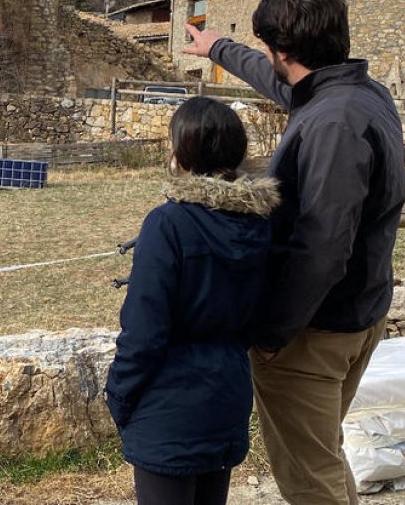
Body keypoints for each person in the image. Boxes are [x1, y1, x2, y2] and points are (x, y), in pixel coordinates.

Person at [182, 0, 405, 504]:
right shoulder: (357, 94)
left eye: (267, 47)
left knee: (309, 481)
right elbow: (278, 80)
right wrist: (217, 47)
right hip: (357, 312)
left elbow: (323, 247)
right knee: (322, 456)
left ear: (284, 51)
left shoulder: (333, 124)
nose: (266, 57)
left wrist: (272, 333)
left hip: (314, 330)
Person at [106, 97, 279, 505]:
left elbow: (143, 330)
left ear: (183, 152)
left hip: (168, 406)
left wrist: (119, 395)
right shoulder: (258, 223)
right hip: (227, 395)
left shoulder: (168, 224)